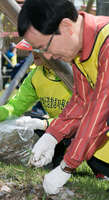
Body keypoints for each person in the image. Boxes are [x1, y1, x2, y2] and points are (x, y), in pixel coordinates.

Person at [18, 0, 109, 194]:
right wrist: (52, 135)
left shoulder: (106, 42)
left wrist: (66, 166)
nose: (48, 56)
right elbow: (82, 101)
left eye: (45, 47)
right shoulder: (81, 48)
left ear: (67, 26)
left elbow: (100, 109)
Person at [0, 40, 72, 169]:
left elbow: (84, 117)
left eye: (37, 48)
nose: (33, 52)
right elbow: (16, 106)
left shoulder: (75, 72)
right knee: (51, 165)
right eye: (31, 49)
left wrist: (43, 124)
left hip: (85, 130)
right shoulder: (36, 75)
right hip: (57, 130)